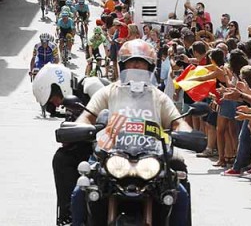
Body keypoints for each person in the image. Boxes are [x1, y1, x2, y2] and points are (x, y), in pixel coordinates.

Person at [71, 40, 194, 226]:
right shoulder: (108, 92)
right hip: (110, 154)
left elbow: (178, 122)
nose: (136, 66)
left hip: (151, 156)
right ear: (122, 65)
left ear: (150, 67)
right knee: (81, 191)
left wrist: (184, 133)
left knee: (180, 194)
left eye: (141, 62)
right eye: (131, 62)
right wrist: (83, 128)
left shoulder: (158, 97)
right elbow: (87, 117)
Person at [35, 64, 103, 225]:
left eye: (54, 99)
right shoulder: (72, 102)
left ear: (59, 86)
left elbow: (108, 113)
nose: (57, 104)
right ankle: (68, 215)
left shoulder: (90, 86)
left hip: (111, 146)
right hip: (92, 148)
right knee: (62, 157)